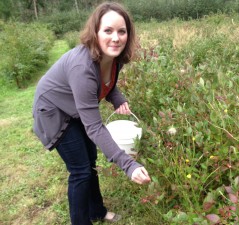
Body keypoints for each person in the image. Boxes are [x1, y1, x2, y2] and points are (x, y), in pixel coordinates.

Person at [32, 2, 151, 224]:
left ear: (128, 34)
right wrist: (128, 164)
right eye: (108, 30)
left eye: (121, 31)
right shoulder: (82, 67)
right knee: (80, 171)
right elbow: (94, 127)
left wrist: (117, 99)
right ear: (95, 32)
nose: (116, 38)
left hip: (73, 107)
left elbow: (107, 84)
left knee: (91, 163)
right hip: (53, 111)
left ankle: (96, 211)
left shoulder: (114, 58)